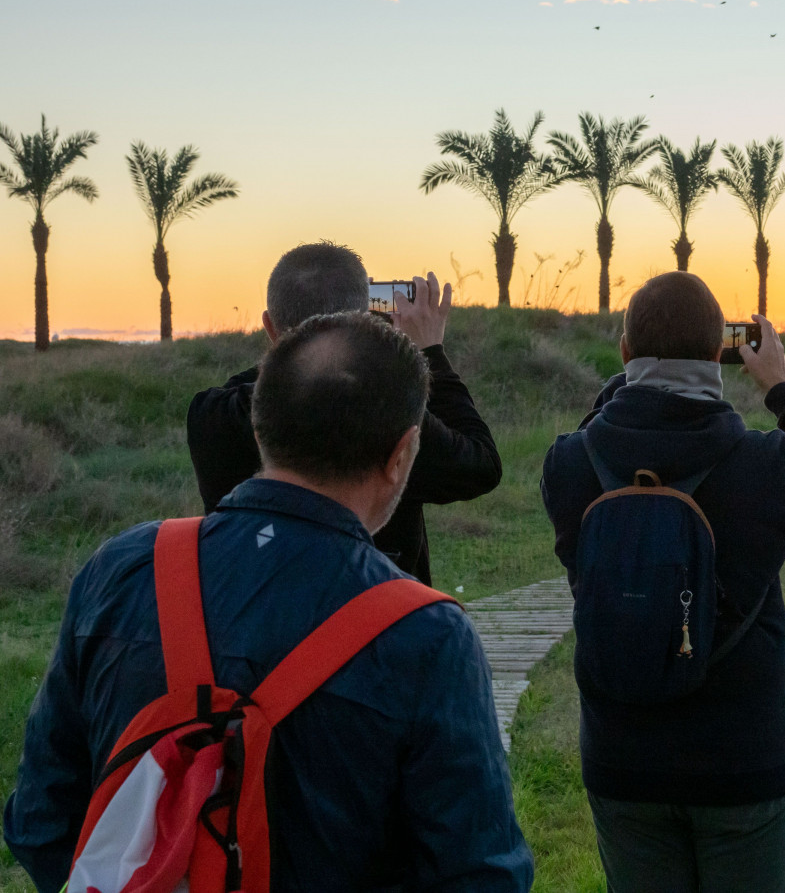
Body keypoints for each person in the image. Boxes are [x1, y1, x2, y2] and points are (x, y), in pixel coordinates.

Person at [4, 311, 534, 892]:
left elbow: (39, 822)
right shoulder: (427, 635)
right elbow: (480, 874)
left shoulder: (122, 568)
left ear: (260, 432)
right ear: (402, 454)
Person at [540, 271, 785, 892]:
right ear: (719, 354)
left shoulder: (568, 464)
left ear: (624, 355)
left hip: (622, 761)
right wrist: (782, 390)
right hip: (743, 760)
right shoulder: (765, 465)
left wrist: (630, 375)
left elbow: (599, 426)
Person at [187, 240, 500, 585]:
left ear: (269, 325)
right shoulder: (383, 403)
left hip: (246, 620)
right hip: (380, 622)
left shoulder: (211, 415)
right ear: (365, 318)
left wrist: (302, 345)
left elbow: (271, 379)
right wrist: (427, 352)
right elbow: (480, 465)